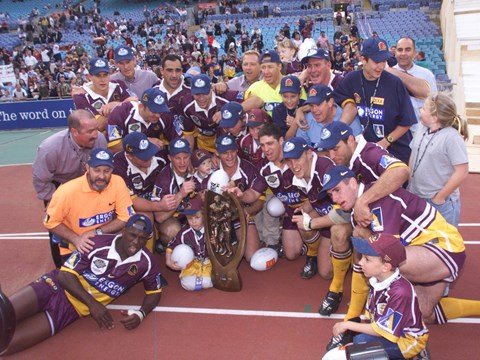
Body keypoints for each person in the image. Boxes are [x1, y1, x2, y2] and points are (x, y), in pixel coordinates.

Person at [322, 165, 480, 346]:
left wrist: (362, 233)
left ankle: (356, 320)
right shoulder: (358, 210)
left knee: (382, 264)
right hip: (423, 252)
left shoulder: (378, 200)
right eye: (330, 194)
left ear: (352, 183)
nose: (334, 198)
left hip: (442, 248)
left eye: (337, 190)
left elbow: (389, 251)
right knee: (422, 312)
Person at [0, 214, 163, 355]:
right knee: (4, 313)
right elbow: (65, 276)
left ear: (148, 238)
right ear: (123, 231)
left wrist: (141, 314)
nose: (135, 242)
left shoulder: (147, 263)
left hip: (70, 310)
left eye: (142, 238)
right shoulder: (97, 243)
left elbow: (155, 292)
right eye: (132, 235)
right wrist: (93, 305)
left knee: (4, 347)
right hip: (53, 285)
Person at [329, 234, 430, 360]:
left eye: (367, 259)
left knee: (360, 350)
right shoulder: (377, 281)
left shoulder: (400, 293)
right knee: (359, 342)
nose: (360, 262)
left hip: (407, 341)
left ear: (385, 267)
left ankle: (416, 354)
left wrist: (347, 325)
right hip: (393, 332)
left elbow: (380, 331)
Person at [32, 110, 107, 268]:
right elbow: (41, 179)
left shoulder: (99, 140)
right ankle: (60, 265)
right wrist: (53, 202)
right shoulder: (50, 149)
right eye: (90, 131)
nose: (96, 135)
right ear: (74, 131)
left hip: (88, 181)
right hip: (60, 185)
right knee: (57, 220)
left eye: (96, 129)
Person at [333, 37, 417, 164]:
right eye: (377, 61)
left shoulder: (394, 83)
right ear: (363, 59)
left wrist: (385, 142)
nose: (381, 66)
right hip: (368, 154)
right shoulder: (351, 80)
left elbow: (407, 122)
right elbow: (336, 97)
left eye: (384, 61)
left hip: (396, 153)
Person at [44, 148, 134, 255]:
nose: (101, 176)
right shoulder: (66, 191)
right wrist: (76, 239)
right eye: (97, 170)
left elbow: (125, 217)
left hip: (105, 244)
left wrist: (96, 232)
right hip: (74, 248)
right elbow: (50, 222)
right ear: (87, 168)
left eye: (106, 171)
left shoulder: (118, 182)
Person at [408, 93, 469, 227]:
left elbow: (462, 171)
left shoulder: (451, 138)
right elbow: (414, 154)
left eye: (423, 109)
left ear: (434, 118)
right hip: (416, 197)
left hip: (439, 203)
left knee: (442, 245)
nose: (420, 110)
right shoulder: (421, 127)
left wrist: (440, 197)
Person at [113, 132, 178, 252]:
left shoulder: (159, 155)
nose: (149, 157)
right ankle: (145, 256)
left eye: (149, 152)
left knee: (173, 231)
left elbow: (180, 160)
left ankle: (157, 242)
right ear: (130, 156)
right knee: (143, 219)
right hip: (136, 209)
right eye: (143, 156)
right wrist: (160, 206)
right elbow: (133, 201)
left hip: (161, 207)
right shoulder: (118, 166)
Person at [216, 134, 268, 261]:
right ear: (217, 153)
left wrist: (243, 206)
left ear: (237, 150)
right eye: (225, 153)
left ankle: (240, 243)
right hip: (218, 220)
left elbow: (259, 200)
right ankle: (232, 244)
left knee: (251, 256)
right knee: (221, 257)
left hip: (242, 215)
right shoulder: (210, 169)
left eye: (232, 151)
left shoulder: (249, 168)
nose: (229, 156)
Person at [258, 123, 306, 260]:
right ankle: (303, 243)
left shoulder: (296, 156)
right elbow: (254, 193)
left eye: (270, 143)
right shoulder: (264, 168)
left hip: (311, 206)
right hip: (291, 211)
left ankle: (314, 245)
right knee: (290, 255)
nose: (266, 149)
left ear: (280, 141)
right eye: (262, 145)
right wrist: (240, 194)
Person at [152, 139, 196, 249]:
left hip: (193, 215)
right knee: (172, 231)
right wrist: (180, 194)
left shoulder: (197, 167)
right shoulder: (164, 180)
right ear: (170, 158)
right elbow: (159, 217)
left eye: (185, 157)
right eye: (177, 158)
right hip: (173, 218)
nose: (182, 162)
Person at [388, 37, 437, 131]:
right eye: (399, 50)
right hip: (395, 132)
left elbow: (434, 103)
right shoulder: (387, 74)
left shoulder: (426, 75)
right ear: (395, 53)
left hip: (420, 130)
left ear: (415, 53)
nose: (403, 54)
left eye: (408, 50)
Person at [182, 74, 239, 152]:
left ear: (211, 88)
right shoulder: (187, 104)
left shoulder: (225, 96)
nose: (201, 98)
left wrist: (228, 110)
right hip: (204, 148)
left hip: (228, 147)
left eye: (205, 93)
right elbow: (188, 133)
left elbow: (256, 100)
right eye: (197, 94)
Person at [166, 196, 212, 291]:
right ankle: (197, 278)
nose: (193, 222)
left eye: (197, 217)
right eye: (190, 218)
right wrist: (168, 260)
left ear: (204, 215)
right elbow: (171, 246)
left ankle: (203, 277)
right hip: (192, 263)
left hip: (209, 262)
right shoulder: (184, 233)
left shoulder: (211, 230)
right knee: (189, 286)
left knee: (207, 283)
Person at [73, 58, 132, 132]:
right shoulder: (81, 97)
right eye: (98, 76)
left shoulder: (118, 85)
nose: (102, 79)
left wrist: (116, 104)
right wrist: (118, 108)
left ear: (110, 75)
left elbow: (135, 102)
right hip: (100, 141)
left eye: (105, 75)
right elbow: (96, 126)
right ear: (89, 77)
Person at [106, 87, 171, 154]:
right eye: (154, 111)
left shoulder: (165, 115)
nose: (158, 115)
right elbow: (113, 148)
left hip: (154, 158)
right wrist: (145, 142)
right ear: (141, 106)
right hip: (127, 158)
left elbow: (176, 141)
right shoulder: (121, 113)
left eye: (160, 111)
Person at [291, 84, 362, 144]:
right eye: (311, 105)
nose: (314, 110)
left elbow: (357, 152)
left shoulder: (349, 119)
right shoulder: (307, 120)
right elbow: (300, 150)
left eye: (318, 104)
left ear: (330, 102)